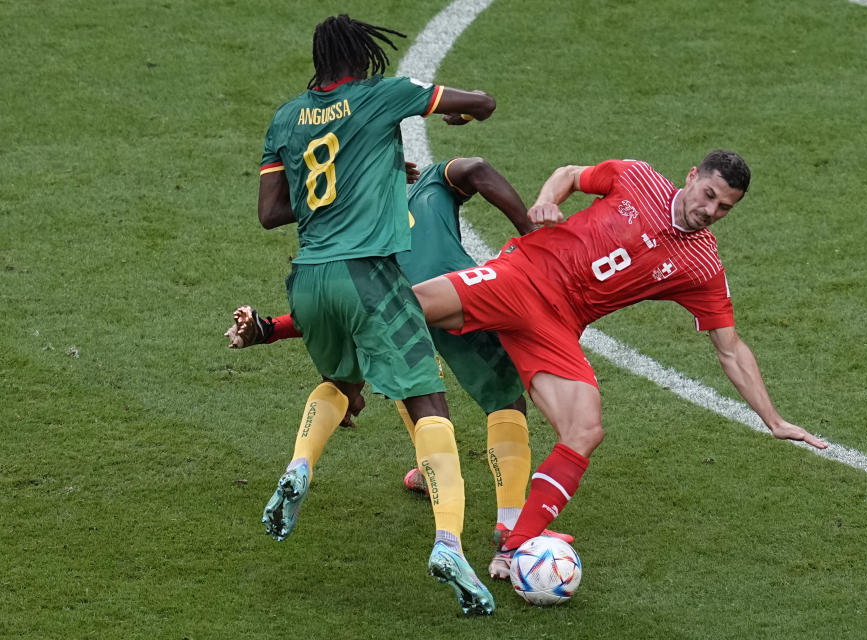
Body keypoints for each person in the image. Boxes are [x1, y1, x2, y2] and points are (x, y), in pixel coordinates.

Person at [409, 150, 830, 579]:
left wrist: (773, 419)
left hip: (556, 327)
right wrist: (547, 199)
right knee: (409, 305)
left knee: (586, 430)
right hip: (522, 275)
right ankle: (344, 377)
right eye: (708, 195)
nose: (710, 211)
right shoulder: (638, 178)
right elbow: (569, 173)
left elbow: (730, 349)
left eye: (724, 207)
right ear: (691, 176)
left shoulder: (702, 265)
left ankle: (516, 545)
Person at [251, 14, 500, 615]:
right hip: (367, 274)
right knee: (427, 402)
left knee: (344, 380)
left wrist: (375, 181)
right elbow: (483, 103)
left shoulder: (286, 117)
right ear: (362, 58)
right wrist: (455, 112)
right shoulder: (383, 94)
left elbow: (271, 210)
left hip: (309, 279)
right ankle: (449, 543)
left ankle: (299, 466)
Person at [227, 156, 573, 578]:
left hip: (394, 307)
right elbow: (478, 169)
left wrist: (268, 329)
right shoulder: (432, 181)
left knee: (406, 384)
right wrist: (532, 233)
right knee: (504, 399)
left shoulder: (357, 221)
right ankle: (510, 521)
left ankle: (422, 473)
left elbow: (345, 304)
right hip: (461, 296)